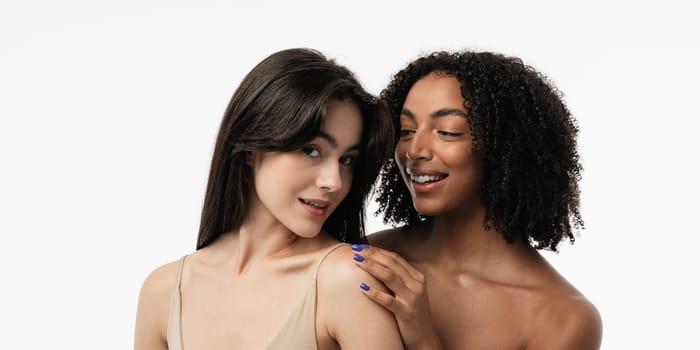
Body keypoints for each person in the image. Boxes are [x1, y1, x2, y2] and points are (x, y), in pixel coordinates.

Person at [134, 48, 403, 349]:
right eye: (311, 150)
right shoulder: (164, 291)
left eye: (347, 160)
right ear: (251, 148)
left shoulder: (344, 281)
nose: (333, 181)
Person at [352, 51, 603, 349]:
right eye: (406, 131)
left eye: (448, 132)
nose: (414, 150)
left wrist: (423, 338)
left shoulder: (563, 319)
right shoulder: (374, 259)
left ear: (505, 147)